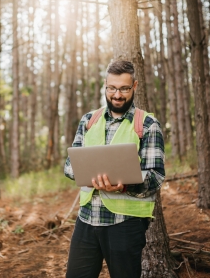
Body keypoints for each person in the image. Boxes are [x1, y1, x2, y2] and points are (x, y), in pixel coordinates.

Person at [64, 60, 165, 278]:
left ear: (135, 87)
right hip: (87, 218)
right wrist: (86, 174)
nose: (117, 95)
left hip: (125, 224)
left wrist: (125, 184)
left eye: (124, 89)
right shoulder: (89, 120)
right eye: (112, 88)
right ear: (105, 85)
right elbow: (69, 166)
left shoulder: (147, 125)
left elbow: (156, 176)